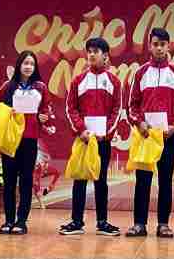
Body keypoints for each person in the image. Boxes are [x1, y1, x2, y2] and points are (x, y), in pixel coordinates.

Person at [125, 27, 174, 239]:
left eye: (163, 44)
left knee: (165, 180)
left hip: (168, 136)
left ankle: (163, 224)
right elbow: (131, 104)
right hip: (146, 136)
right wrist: (139, 123)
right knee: (142, 180)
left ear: (168, 46)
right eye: (155, 44)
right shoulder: (141, 72)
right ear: (149, 46)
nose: (159, 48)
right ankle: (139, 224)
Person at [60, 36, 122, 237]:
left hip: (102, 141)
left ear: (105, 56)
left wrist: (107, 133)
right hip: (83, 139)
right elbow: (71, 108)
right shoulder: (78, 80)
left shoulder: (114, 81)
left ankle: (102, 222)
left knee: (101, 179)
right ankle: (76, 221)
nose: (92, 55)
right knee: (80, 179)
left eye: (96, 51)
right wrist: (81, 130)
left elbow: (117, 109)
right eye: (90, 51)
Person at [0, 50, 54, 235]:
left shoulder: (41, 87)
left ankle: (21, 221)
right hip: (10, 138)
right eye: (25, 63)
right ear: (19, 66)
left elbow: (47, 110)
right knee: (9, 179)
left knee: (26, 180)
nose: (28, 67)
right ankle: (8, 220)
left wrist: (44, 117)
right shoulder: (8, 86)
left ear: (35, 67)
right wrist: (9, 112)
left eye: (31, 63)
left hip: (30, 139)